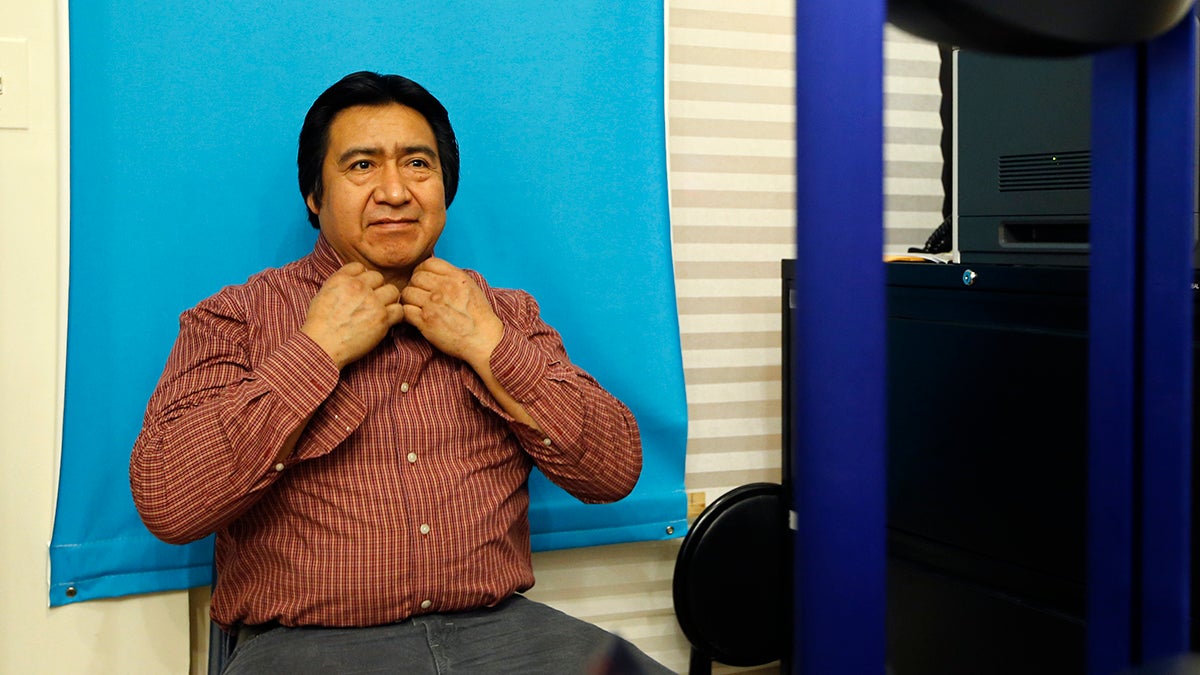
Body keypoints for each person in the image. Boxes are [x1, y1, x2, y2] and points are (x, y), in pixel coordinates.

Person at [130, 71, 670, 674]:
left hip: (504, 634)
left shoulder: (506, 313)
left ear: (444, 187)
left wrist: (489, 345)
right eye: (361, 166)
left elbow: (614, 470)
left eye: (417, 163)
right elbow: (168, 505)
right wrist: (316, 353)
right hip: (306, 647)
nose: (394, 190)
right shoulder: (235, 317)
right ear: (315, 194)